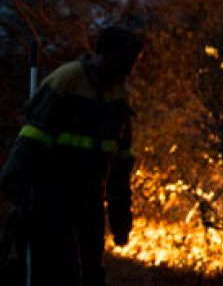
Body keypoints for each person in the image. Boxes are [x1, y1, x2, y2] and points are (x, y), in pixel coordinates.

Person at [1, 24, 144, 286]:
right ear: (104, 53)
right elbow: (32, 137)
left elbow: (121, 164)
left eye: (133, 63)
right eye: (124, 61)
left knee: (92, 273)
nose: (129, 70)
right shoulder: (66, 80)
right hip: (53, 195)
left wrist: (120, 218)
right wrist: (16, 185)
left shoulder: (120, 95)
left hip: (91, 200)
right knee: (62, 271)